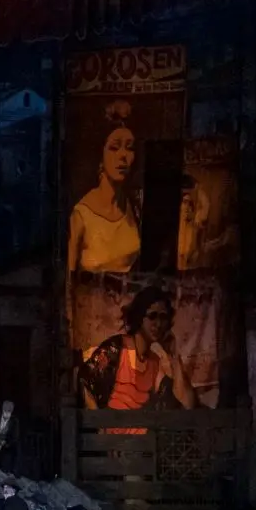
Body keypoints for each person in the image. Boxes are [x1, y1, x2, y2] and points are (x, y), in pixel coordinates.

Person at [78, 285, 197, 411]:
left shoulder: (154, 363)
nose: (158, 324)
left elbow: (188, 404)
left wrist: (174, 355)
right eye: (152, 316)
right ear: (140, 317)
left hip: (143, 429)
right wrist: (98, 422)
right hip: (112, 428)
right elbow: (84, 380)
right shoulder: (117, 348)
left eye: (163, 317)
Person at [67, 99, 143, 280]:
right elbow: (69, 282)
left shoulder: (135, 206)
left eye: (129, 148)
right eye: (114, 148)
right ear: (100, 156)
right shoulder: (81, 215)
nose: (123, 156)